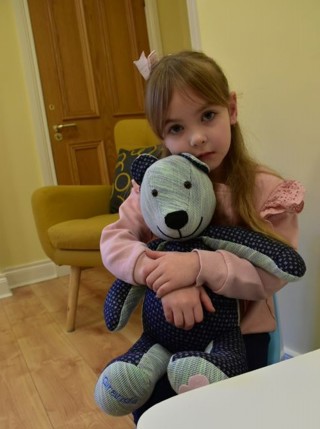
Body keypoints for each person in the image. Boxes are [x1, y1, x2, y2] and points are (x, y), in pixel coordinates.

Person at [99, 50, 304, 422]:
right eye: (176, 128)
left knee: (223, 411)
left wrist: (197, 266)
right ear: (162, 135)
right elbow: (115, 239)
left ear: (232, 109)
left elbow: (276, 271)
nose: (196, 138)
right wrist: (161, 275)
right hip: (168, 332)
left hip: (240, 336)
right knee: (154, 408)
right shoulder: (152, 187)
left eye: (208, 116)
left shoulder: (264, 190)